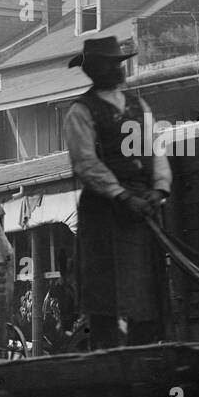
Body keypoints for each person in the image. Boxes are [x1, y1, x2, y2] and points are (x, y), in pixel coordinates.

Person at [62, 36, 172, 350]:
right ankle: (106, 354)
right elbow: (87, 163)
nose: (117, 68)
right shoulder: (81, 112)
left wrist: (158, 191)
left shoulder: (139, 106)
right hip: (104, 210)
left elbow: (155, 150)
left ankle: (145, 350)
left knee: (145, 287)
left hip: (142, 206)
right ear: (93, 70)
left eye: (118, 63)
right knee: (105, 292)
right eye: (109, 64)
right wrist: (122, 196)